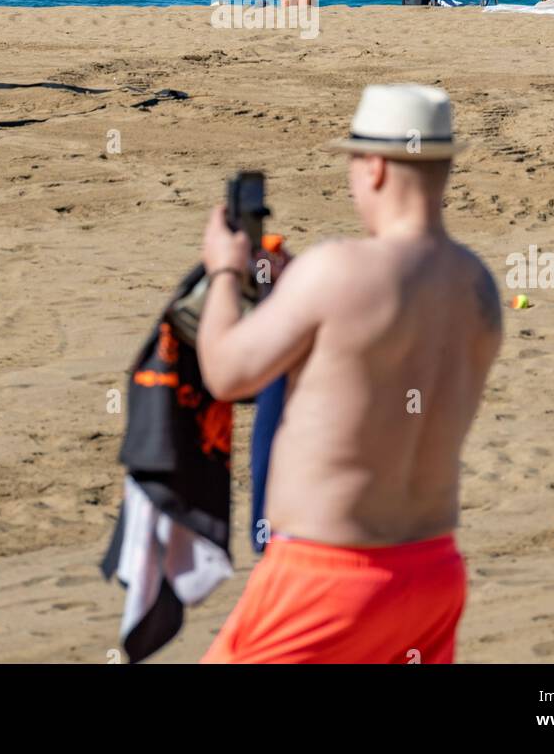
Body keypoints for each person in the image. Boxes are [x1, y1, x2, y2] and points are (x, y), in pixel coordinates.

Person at [196, 84, 502, 665]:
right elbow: (370, 356)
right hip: (432, 571)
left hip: (326, 575)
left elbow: (226, 372)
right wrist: (292, 296)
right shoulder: (476, 285)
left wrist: (225, 274)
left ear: (376, 169)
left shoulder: (336, 269)